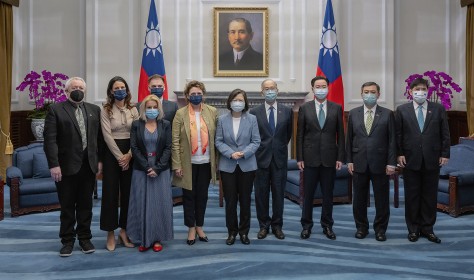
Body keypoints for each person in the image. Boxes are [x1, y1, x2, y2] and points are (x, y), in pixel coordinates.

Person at [43, 77, 103, 257]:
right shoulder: (55, 110)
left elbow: (98, 139)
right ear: (66, 91)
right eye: (74, 87)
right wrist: (54, 164)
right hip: (65, 167)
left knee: (86, 205)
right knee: (67, 206)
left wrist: (99, 161)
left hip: (88, 166)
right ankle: (67, 241)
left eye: (81, 87)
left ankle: (85, 238)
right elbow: (50, 140)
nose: (78, 90)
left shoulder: (94, 110)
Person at [395, 77, 450, 244]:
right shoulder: (402, 110)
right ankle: (413, 229)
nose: (420, 92)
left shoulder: (438, 109)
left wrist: (445, 154)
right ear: (411, 92)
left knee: (429, 196)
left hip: (432, 159)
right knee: (412, 196)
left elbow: (445, 133)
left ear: (428, 91)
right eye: (416, 89)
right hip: (410, 159)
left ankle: (428, 228)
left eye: (423, 89)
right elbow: (398, 135)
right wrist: (399, 153)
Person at [346, 82, 396, 242]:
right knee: (358, 199)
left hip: (381, 164)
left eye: (372, 92)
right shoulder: (353, 113)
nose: (369, 94)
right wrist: (349, 161)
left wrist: (391, 163)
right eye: (366, 92)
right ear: (361, 94)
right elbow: (349, 140)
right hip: (358, 162)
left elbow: (392, 141)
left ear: (378, 94)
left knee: (382, 200)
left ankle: (380, 230)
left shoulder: (388, 114)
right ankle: (361, 228)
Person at [296, 76, 345, 240]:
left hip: (330, 158)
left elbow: (341, 135)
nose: (321, 89)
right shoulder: (305, 109)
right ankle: (306, 226)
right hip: (309, 159)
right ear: (312, 89)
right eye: (318, 86)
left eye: (324, 86)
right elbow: (300, 135)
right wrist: (299, 158)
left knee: (327, 195)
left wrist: (340, 157)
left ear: (328, 88)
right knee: (308, 195)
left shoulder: (336, 108)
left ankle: (327, 226)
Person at [171, 80, 218, 245]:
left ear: (203, 95)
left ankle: (200, 226)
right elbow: (175, 140)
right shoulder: (180, 113)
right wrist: (176, 164)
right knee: (189, 197)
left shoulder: (213, 112)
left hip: (206, 161)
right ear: (187, 96)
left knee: (202, 196)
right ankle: (191, 227)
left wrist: (217, 163)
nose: (196, 96)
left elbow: (217, 139)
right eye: (193, 94)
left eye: (199, 93)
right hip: (187, 163)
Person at [127, 94, 173, 252]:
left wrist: (157, 168)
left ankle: (157, 238)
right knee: (141, 203)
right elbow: (134, 147)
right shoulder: (136, 124)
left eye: (155, 107)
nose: (152, 110)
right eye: (149, 107)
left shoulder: (165, 124)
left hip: (161, 170)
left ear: (158, 109)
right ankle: (143, 238)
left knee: (159, 204)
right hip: (141, 169)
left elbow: (168, 148)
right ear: (143, 109)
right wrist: (148, 167)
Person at [215, 89, 261, 245]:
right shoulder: (221, 119)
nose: (237, 102)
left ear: (245, 102)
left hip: (247, 165)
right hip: (228, 166)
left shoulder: (252, 119)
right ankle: (232, 232)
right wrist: (230, 153)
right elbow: (218, 141)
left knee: (246, 201)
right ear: (230, 101)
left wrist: (244, 153)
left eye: (241, 100)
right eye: (235, 99)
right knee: (230, 201)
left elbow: (256, 141)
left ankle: (244, 232)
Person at [249, 79, 293, 240]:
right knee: (261, 195)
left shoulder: (287, 111)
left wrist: (277, 148)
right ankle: (263, 226)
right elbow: (252, 137)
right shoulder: (254, 112)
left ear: (277, 90)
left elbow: (287, 135)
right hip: (260, 160)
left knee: (278, 195)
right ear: (261, 92)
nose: (270, 91)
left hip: (280, 160)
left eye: (272, 88)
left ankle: (277, 226)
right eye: (266, 89)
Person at [100, 76, 139, 251]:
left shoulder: (134, 109)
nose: (120, 90)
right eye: (116, 88)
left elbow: (138, 134)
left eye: (122, 87)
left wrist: (129, 155)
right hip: (112, 153)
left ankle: (124, 230)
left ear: (127, 90)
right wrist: (120, 157)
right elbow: (107, 135)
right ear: (111, 91)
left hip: (131, 152)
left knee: (128, 194)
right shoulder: (105, 109)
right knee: (110, 194)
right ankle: (110, 233)